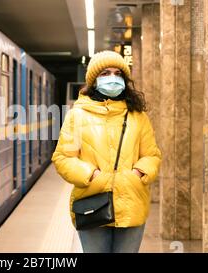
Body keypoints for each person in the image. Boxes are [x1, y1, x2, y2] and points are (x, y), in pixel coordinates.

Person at [51, 51, 162, 253]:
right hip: (92, 202)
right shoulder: (77, 115)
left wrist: (137, 174)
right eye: (105, 73)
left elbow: (151, 155)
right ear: (94, 80)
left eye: (117, 73)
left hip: (132, 202)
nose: (112, 78)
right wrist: (92, 175)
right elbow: (63, 158)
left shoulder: (138, 115)